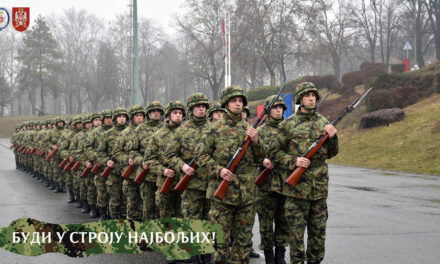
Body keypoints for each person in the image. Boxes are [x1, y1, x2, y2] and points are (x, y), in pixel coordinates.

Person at [268, 82, 338, 264]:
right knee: (296, 236)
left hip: (319, 190)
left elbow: (332, 153)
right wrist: (294, 161)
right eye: (307, 95)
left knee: (318, 235)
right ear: (300, 99)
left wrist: (333, 138)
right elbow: (274, 154)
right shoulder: (288, 125)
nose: (311, 98)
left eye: (314, 95)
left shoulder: (324, 123)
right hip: (296, 191)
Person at [197, 85, 262, 263]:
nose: (238, 104)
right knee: (221, 242)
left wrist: (256, 142)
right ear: (226, 103)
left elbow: (259, 159)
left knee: (243, 241)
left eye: (240, 101)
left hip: (246, 194)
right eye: (234, 100)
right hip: (222, 194)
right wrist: (219, 170)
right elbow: (201, 156)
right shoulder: (213, 128)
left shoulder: (250, 129)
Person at [165, 93, 212, 263]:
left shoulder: (214, 128)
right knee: (192, 221)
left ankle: (206, 256)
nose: (202, 109)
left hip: (211, 183)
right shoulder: (182, 130)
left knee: (208, 221)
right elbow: (170, 154)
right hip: (191, 185)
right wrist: (183, 166)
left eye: (204, 106)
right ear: (191, 109)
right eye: (198, 106)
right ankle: (192, 257)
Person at [256, 95, 289, 263]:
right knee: (266, 224)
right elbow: (250, 155)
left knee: (283, 222)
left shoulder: (289, 129)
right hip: (265, 185)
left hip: (286, 183)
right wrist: (262, 161)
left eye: (281, 107)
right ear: (268, 110)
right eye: (275, 107)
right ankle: (269, 256)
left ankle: (281, 255)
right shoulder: (260, 132)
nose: (279, 110)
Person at [145, 101, 186, 219]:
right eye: (175, 113)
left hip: (185, 181)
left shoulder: (187, 132)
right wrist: (162, 170)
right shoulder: (158, 135)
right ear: (168, 116)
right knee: (166, 219)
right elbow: (149, 160)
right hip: (166, 181)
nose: (178, 115)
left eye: (180, 113)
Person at [133, 101, 164, 221]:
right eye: (153, 111)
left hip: (163, 173)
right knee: (148, 206)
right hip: (147, 175)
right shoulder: (140, 129)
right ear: (149, 113)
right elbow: (132, 151)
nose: (156, 113)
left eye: (158, 111)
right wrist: (141, 161)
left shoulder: (166, 128)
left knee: (163, 207)